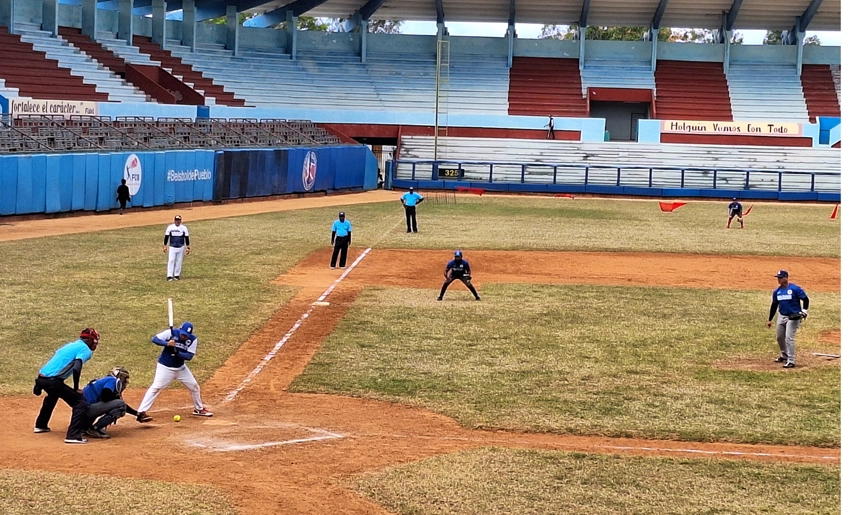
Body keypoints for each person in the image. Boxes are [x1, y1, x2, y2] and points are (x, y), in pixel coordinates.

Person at [33, 328, 100, 444]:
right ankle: (73, 435)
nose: (95, 343)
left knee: (53, 395)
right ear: (89, 340)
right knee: (80, 402)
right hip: (53, 381)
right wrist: (75, 388)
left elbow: (54, 363)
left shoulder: (69, 346)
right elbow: (77, 368)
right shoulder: (85, 349)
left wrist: (38, 384)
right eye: (94, 340)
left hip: (41, 378)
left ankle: (41, 425)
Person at [136, 321, 213, 419]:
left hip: (181, 369)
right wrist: (167, 343)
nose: (184, 337)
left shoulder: (193, 340)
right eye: (183, 334)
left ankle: (199, 409)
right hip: (165, 367)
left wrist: (177, 352)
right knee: (155, 388)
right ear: (180, 330)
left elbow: (189, 356)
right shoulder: (171, 333)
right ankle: (141, 412)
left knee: (194, 386)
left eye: (186, 336)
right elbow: (155, 339)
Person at [82, 366, 151, 439]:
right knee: (120, 405)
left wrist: (136, 414)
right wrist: (115, 398)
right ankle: (95, 428)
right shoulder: (112, 380)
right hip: (88, 409)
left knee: (119, 403)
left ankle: (85, 427)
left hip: (83, 411)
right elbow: (106, 397)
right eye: (124, 378)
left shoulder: (104, 380)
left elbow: (112, 401)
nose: (125, 381)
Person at [767, 270, 810, 369]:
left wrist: (804, 311)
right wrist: (770, 319)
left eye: (780, 277)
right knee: (779, 337)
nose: (779, 279)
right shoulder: (777, 291)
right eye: (778, 278)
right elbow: (774, 305)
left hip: (793, 317)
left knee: (789, 338)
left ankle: (791, 361)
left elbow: (806, 299)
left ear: (786, 278)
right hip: (782, 316)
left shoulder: (795, 289)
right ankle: (784, 355)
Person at [163, 215, 190, 281]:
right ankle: (169, 275)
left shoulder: (184, 228)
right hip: (172, 247)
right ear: (174, 220)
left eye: (179, 220)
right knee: (171, 260)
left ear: (180, 221)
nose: (178, 221)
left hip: (181, 247)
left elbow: (186, 238)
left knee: (179, 261)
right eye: (176, 220)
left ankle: (176, 275)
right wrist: (165, 245)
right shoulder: (170, 227)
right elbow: (166, 237)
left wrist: (188, 247)